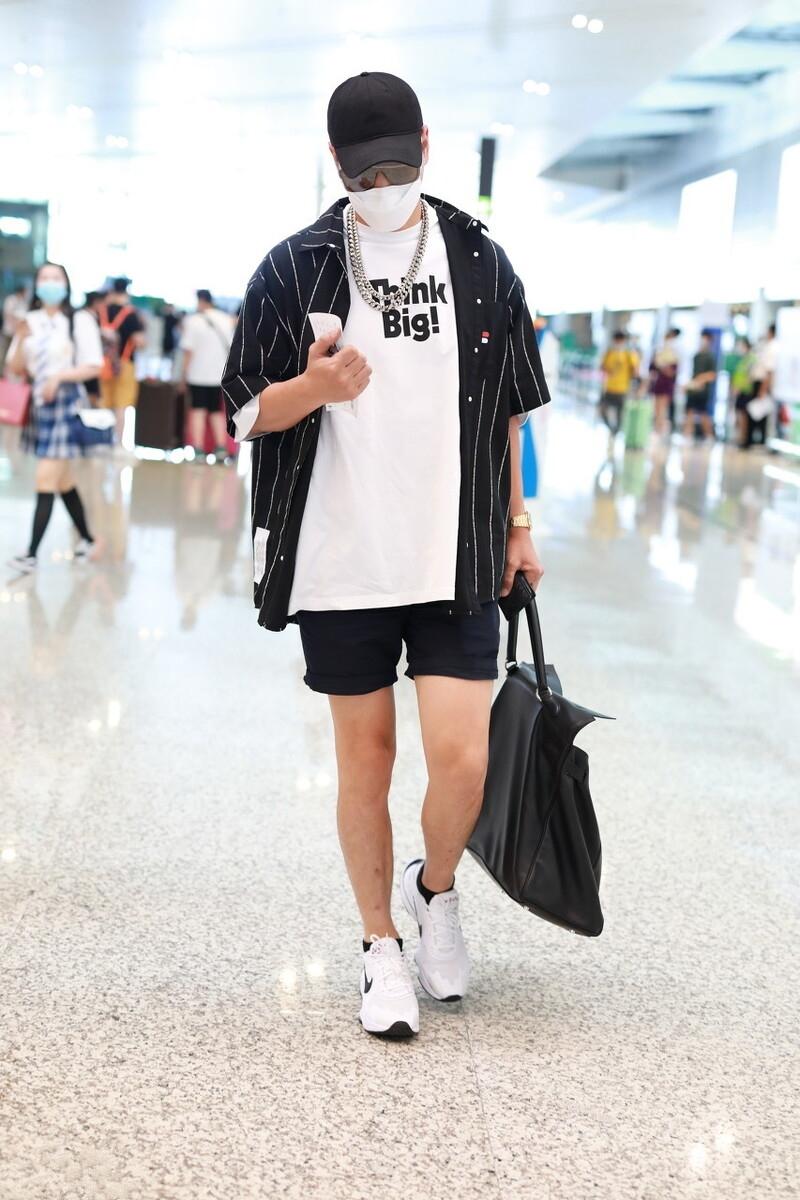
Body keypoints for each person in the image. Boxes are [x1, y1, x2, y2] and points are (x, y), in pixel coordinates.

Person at [222, 70, 550, 1040]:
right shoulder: (293, 267)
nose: (381, 185)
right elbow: (243, 410)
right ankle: (378, 944)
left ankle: (433, 887)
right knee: (365, 761)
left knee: (463, 760)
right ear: (335, 163)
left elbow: (508, 413)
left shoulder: (480, 258)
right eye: (365, 173)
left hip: (454, 552)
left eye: (396, 167)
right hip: (341, 558)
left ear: (427, 147)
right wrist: (313, 390)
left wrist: (519, 526)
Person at [6, 262, 104, 574]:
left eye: (56, 277)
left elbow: (94, 365)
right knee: (63, 481)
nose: (50, 283)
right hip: (39, 405)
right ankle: (89, 540)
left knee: (45, 478)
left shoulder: (78, 319)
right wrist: (20, 337)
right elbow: (16, 368)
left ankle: (31, 554)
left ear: (66, 283)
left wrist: (58, 377)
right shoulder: (30, 320)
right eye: (44, 278)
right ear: (37, 284)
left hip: (66, 404)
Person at [179, 289, 233, 459]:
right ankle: (221, 448)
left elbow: (188, 351)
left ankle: (198, 449)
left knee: (198, 411)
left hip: (197, 375)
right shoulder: (226, 320)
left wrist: (183, 375)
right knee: (216, 411)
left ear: (200, 301)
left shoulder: (192, 321)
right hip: (219, 375)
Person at [98, 276, 146, 442]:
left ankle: (103, 440)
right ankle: (118, 442)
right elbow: (139, 341)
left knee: (104, 403)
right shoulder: (131, 314)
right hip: (124, 365)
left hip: (103, 365)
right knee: (121, 406)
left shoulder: (101, 311)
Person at [600, 330, 639, 436]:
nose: (619, 343)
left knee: (620, 414)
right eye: (617, 340)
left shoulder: (629, 354)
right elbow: (602, 367)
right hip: (609, 387)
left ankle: (615, 433)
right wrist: (608, 371)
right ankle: (610, 429)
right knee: (603, 410)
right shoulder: (609, 352)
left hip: (622, 389)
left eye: (621, 340)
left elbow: (635, 371)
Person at [683, 329, 718, 442]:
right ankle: (687, 435)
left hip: (703, 390)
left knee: (703, 413)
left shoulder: (710, 357)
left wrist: (701, 380)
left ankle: (709, 436)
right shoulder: (696, 356)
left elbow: (713, 375)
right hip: (693, 389)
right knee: (689, 412)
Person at [649, 327, 680, 434]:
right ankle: (656, 429)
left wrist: (663, 367)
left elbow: (672, 372)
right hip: (658, 383)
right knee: (656, 408)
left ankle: (660, 429)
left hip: (667, 384)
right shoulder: (659, 351)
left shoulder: (675, 354)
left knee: (662, 408)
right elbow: (652, 369)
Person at [729, 336, 758, 449]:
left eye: (742, 346)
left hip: (745, 391)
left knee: (744, 416)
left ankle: (744, 438)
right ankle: (739, 437)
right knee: (738, 415)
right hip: (739, 391)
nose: (740, 348)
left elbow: (750, 377)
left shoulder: (751, 359)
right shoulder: (742, 360)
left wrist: (739, 387)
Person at [81, 291, 107, 402]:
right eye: (102, 303)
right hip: (87, 363)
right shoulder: (85, 317)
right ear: (96, 303)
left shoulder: (90, 316)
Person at [1, 283, 28, 370]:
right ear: (21, 291)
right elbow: (7, 315)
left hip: (18, 333)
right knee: (4, 351)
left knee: (13, 353)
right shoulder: (11, 300)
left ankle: (9, 372)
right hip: (8, 331)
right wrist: (16, 323)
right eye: (25, 292)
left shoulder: (23, 302)